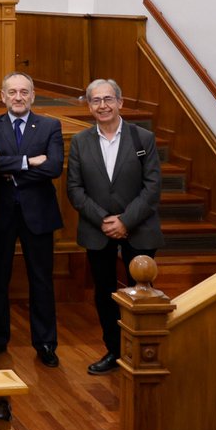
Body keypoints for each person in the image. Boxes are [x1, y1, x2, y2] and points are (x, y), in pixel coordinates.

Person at [67, 79, 163, 376]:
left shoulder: (142, 138)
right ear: (89, 105)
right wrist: (104, 220)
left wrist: (125, 220)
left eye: (108, 99)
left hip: (139, 227)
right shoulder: (80, 141)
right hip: (98, 230)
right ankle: (114, 350)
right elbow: (74, 188)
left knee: (141, 294)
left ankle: (143, 353)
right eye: (96, 101)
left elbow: (153, 187)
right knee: (105, 292)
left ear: (120, 102)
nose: (103, 106)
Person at [0, 72, 64, 368]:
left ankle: (45, 343)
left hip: (38, 214)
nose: (18, 97)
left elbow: (53, 167)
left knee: (41, 280)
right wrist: (29, 161)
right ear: (3, 96)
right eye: (12, 92)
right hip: (0, 214)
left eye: (24, 92)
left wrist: (9, 166)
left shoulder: (51, 125)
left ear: (33, 95)